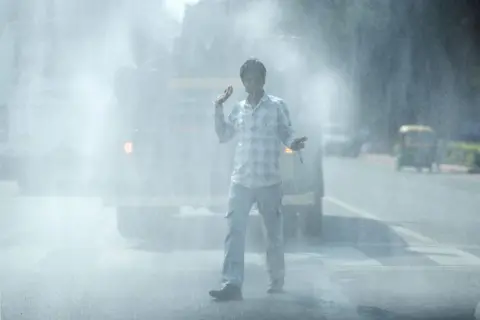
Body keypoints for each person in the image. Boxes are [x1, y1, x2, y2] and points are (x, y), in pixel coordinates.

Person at [209, 58, 307, 301]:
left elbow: (286, 132)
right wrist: (218, 106)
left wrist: (293, 144)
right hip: (241, 179)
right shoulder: (237, 109)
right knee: (235, 232)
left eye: (257, 78)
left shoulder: (276, 106)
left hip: (268, 181)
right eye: (248, 79)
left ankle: (276, 280)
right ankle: (231, 283)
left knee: (273, 234)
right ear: (243, 82)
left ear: (264, 80)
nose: (253, 83)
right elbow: (223, 135)